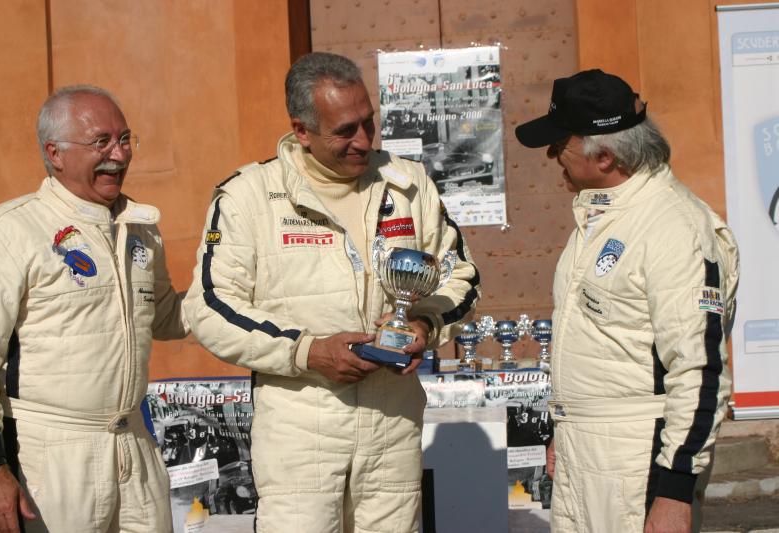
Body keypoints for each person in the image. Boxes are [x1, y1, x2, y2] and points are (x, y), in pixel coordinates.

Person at [183, 52, 479, 532]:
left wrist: (424, 322)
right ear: (301, 130)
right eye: (345, 131)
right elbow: (211, 308)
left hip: (392, 422)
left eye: (369, 123)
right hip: (301, 428)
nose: (363, 141)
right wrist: (307, 352)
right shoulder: (249, 196)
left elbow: (460, 275)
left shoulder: (408, 185)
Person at [515, 69, 739, 533]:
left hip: (639, 462)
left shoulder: (674, 227)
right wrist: (569, 424)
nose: (553, 157)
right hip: (588, 453)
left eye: (560, 145)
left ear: (606, 156)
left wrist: (675, 491)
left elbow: (700, 371)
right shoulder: (606, 215)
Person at [0, 85, 188, 532]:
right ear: (54, 153)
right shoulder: (10, 231)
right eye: (102, 142)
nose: (120, 154)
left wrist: (239, 287)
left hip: (134, 445)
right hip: (49, 455)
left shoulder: (141, 229)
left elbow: (169, 316)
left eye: (126, 139)